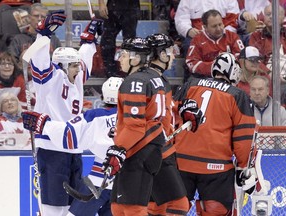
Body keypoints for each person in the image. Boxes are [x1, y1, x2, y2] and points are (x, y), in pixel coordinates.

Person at [24, 9, 102, 215]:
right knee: (53, 206)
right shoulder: (50, 79)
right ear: (62, 65)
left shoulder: (75, 79)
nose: (80, 69)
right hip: (51, 150)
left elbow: (85, 58)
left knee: (72, 206)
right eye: (75, 65)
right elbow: (39, 63)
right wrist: (43, 35)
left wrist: (89, 40)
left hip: (73, 150)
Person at [21, 77, 123, 216]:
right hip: (125, 185)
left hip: (97, 182)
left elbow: (68, 135)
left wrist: (43, 124)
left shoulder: (94, 116)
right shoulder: (138, 117)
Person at [174, 52, 257, 215]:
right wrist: (244, 166)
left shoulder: (190, 84)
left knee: (173, 209)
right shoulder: (237, 95)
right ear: (234, 72)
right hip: (216, 167)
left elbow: (171, 118)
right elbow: (244, 136)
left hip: (181, 162)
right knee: (216, 211)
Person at [98, 37, 166, 215]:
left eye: (123, 54)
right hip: (146, 149)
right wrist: (120, 136)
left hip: (139, 150)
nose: (119, 58)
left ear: (135, 59)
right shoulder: (154, 78)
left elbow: (135, 126)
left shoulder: (134, 81)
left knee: (132, 209)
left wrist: (118, 148)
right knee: (118, 207)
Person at [145, 33, 201, 216]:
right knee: (179, 205)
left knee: (156, 206)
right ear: (161, 54)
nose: (173, 55)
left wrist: (182, 108)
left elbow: (164, 109)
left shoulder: (159, 79)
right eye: (169, 51)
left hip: (161, 152)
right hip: (156, 152)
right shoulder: (149, 80)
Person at [185, 9, 244, 79]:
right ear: (205, 27)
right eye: (214, 26)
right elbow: (191, 63)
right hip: (205, 79)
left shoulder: (232, 36)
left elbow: (242, 58)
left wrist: (226, 66)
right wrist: (214, 66)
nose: (219, 28)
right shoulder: (197, 40)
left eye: (220, 24)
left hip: (230, 77)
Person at [174, 0, 239, 57]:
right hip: (198, 36)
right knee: (189, 44)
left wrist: (223, 34)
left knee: (237, 42)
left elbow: (233, 20)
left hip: (223, 35)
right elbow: (181, 19)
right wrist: (188, 30)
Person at [98, 0, 140, 78]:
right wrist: (101, 3)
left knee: (130, 42)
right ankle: (110, 72)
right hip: (113, 6)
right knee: (107, 40)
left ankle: (129, 70)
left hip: (131, 6)